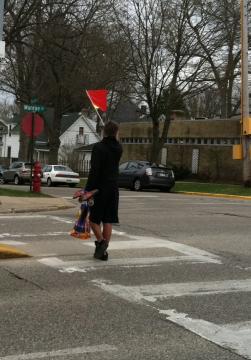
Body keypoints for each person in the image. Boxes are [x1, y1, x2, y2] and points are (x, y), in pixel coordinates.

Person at [85, 121, 123, 261]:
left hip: (99, 188)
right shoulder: (119, 148)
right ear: (116, 132)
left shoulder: (98, 148)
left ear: (104, 132)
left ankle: (101, 243)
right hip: (113, 187)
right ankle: (103, 252)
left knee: (93, 219)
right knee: (108, 219)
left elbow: (95, 170)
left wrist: (88, 190)